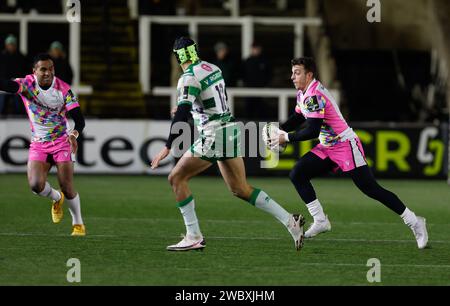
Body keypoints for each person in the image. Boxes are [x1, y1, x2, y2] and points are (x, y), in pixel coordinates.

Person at [151, 37, 305, 251]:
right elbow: (208, 99)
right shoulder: (211, 67)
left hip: (214, 134)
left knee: (176, 178)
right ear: (194, 51)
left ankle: (193, 235)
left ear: (178, 56)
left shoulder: (187, 78)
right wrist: (188, 109)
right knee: (240, 189)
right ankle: (290, 221)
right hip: (230, 129)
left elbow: (184, 113)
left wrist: (167, 146)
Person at [273, 57, 428, 249]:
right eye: (293, 72)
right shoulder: (304, 92)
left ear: (309, 75)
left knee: (370, 188)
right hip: (327, 146)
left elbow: (312, 130)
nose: (292, 77)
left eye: (297, 72)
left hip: (345, 145)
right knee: (298, 173)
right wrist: (278, 129)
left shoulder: (314, 95)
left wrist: (285, 137)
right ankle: (320, 220)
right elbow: (298, 116)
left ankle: (415, 222)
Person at [0, 53, 86, 236]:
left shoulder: (63, 90)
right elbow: (6, 85)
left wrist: (74, 135)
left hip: (62, 141)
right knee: (35, 185)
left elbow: (80, 120)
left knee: (67, 185)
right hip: (39, 143)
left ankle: (78, 224)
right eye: (43, 69)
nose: (48, 73)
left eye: (51, 69)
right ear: (35, 71)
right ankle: (56, 198)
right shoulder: (26, 84)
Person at [242, 42, 272, 120]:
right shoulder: (247, 61)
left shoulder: (265, 61)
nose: (255, 50)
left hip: (262, 90)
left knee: (260, 110)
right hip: (249, 90)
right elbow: (243, 74)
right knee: (249, 110)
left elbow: (269, 74)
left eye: (257, 48)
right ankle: (248, 129)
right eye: (254, 48)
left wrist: (265, 84)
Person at [0, 34, 28, 115]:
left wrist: (22, 80)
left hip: (17, 84)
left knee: (19, 105)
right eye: (9, 44)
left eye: (12, 44)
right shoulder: (2, 56)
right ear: (6, 45)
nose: (11, 46)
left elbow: (25, 70)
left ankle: (19, 122)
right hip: (3, 83)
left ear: (15, 45)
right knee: (2, 105)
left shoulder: (21, 57)